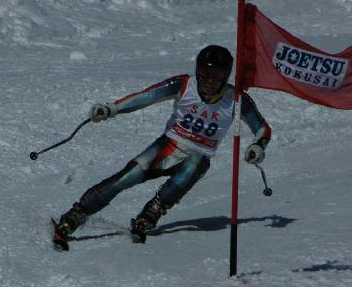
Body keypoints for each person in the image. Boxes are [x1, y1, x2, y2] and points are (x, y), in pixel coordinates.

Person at [54, 44, 271, 244]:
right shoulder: (185, 84)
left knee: (190, 169)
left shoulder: (236, 99)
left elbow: (262, 128)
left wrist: (258, 145)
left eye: (217, 75)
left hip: (198, 155)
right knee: (127, 177)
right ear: (197, 70)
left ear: (227, 75)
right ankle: (77, 214)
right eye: (205, 73)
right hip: (169, 146)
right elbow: (146, 96)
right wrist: (112, 108)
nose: (209, 81)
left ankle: (152, 213)